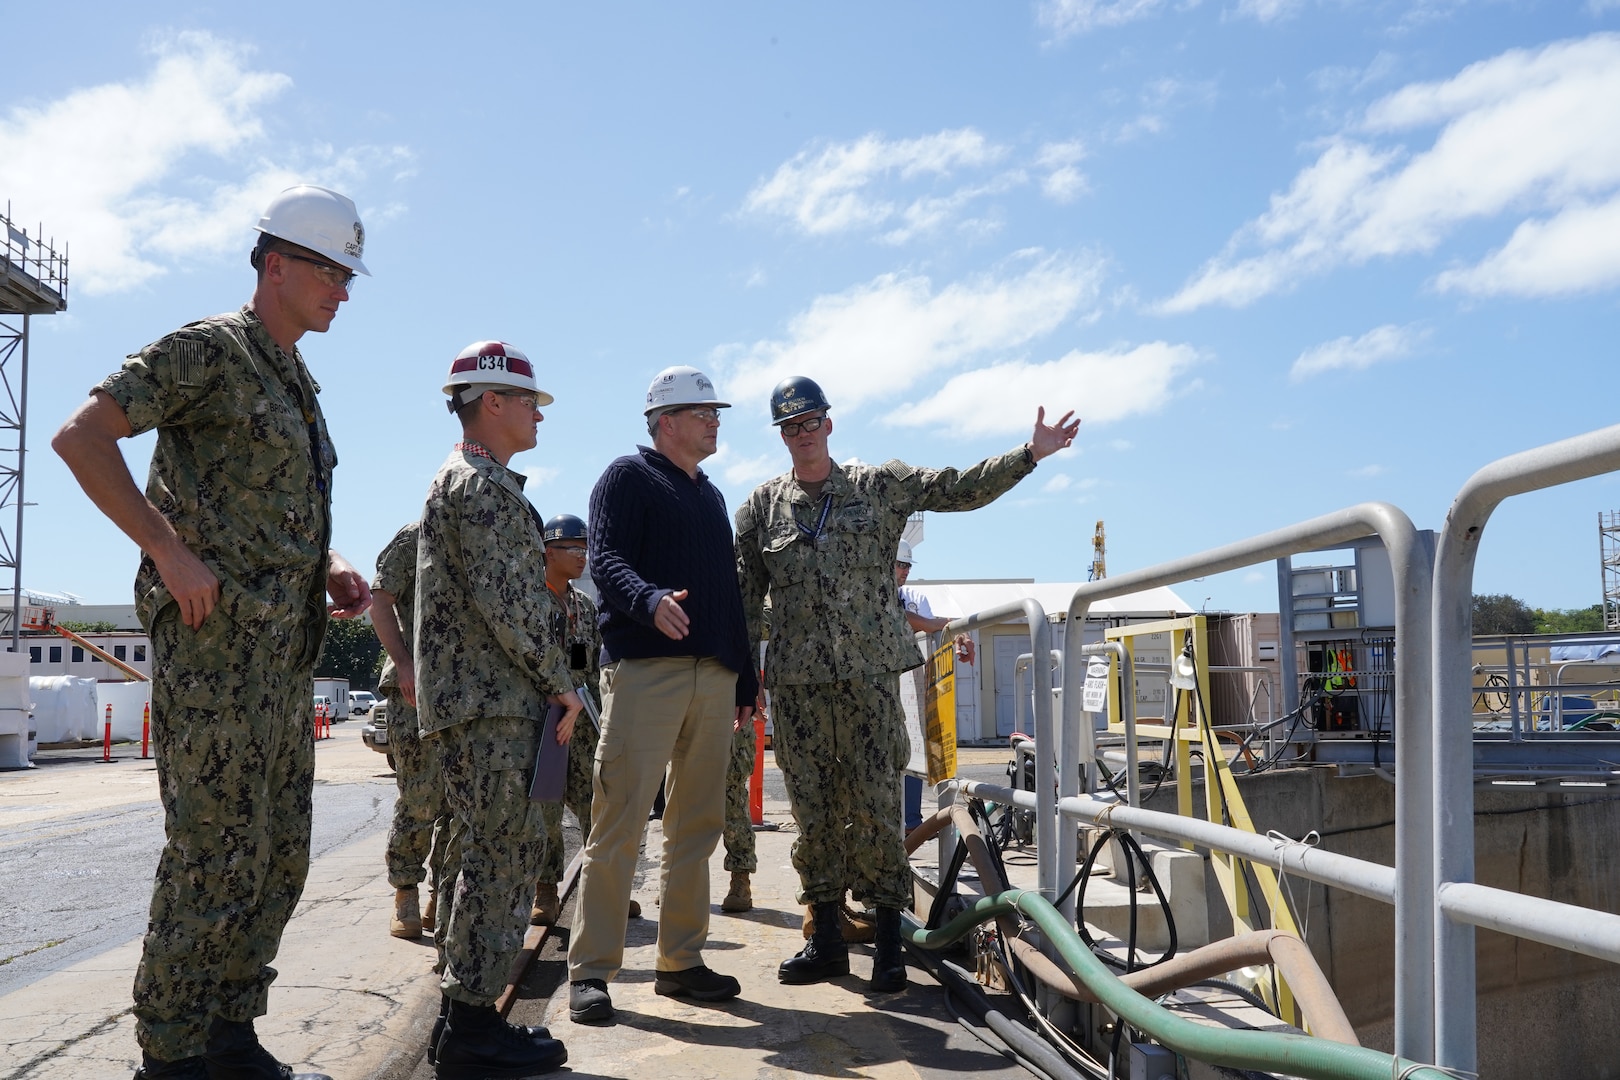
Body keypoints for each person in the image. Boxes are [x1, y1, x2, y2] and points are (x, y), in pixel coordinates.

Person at [51, 185, 373, 1080]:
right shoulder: (208, 351)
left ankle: (228, 1033)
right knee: (214, 848)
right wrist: (168, 551)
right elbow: (82, 437)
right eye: (329, 272)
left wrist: (333, 563)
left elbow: (274, 511)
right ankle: (176, 1050)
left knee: (276, 853)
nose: (341, 291)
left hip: (281, 658)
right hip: (216, 652)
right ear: (275, 265)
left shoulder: (297, 381)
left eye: (348, 277)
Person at [735, 375, 1079, 993]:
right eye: (790, 426)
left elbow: (956, 489)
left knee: (874, 808)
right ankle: (827, 940)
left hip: (868, 681)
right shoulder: (762, 507)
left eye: (811, 421)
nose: (802, 434)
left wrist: (1028, 456)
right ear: (781, 435)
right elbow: (743, 599)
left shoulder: (877, 486)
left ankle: (890, 943)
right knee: (813, 813)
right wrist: (742, 676)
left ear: (829, 424)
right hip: (800, 689)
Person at [567, 366, 758, 1024]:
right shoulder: (628, 477)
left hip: (715, 675)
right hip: (648, 671)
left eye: (716, 411)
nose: (715, 421)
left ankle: (680, 962)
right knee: (619, 823)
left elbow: (729, 593)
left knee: (696, 826)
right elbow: (607, 559)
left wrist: (747, 675)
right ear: (664, 422)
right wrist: (648, 601)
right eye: (703, 412)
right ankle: (591, 971)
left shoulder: (710, 498)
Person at [414, 340, 576, 1078]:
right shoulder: (478, 487)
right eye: (530, 403)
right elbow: (510, 606)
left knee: (489, 858)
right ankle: (475, 1031)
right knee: (498, 859)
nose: (539, 415)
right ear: (492, 403)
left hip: (485, 702)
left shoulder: (481, 482)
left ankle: (463, 1021)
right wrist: (560, 683)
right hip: (492, 705)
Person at [530, 514, 642, 925]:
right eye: (573, 549)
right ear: (548, 552)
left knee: (596, 803)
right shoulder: (529, 600)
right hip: (543, 719)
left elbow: (594, 663)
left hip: (583, 718)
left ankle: (608, 889)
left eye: (585, 549)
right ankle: (546, 890)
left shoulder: (583, 605)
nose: (582, 557)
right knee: (545, 810)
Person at [372, 520, 450, 940]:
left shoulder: (478, 528)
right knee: (421, 796)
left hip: (470, 691)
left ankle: (444, 894)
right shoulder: (414, 535)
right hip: (414, 691)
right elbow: (379, 602)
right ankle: (406, 892)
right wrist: (404, 663)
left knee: (460, 804)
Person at [894, 539, 975, 833]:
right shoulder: (866, 591)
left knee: (912, 757)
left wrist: (949, 629)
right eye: (899, 565)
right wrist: (948, 625)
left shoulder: (913, 596)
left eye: (907, 566)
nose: (904, 572)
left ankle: (911, 826)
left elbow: (924, 628)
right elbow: (911, 622)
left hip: (908, 698)